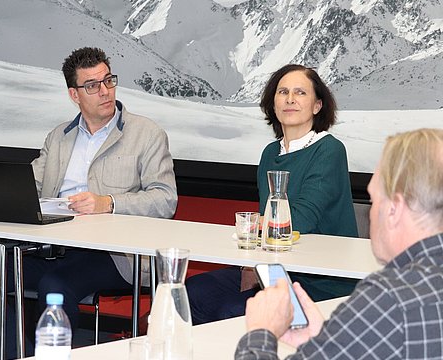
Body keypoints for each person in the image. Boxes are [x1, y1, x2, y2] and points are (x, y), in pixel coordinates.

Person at [0, 47, 177, 358]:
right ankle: (23, 354)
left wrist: (109, 202)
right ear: (74, 95)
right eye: (92, 86)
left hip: (112, 254)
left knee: (54, 285)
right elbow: (30, 183)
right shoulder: (59, 136)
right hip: (52, 247)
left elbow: (165, 199)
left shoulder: (147, 134)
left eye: (108, 81)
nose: (104, 91)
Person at [236, 128, 443, 359]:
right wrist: (326, 342)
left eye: (374, 201)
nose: (370, 214)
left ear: (394, 209)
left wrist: (261, 333)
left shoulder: (388, 299)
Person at [186, 64, 358, 325]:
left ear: (317, 106)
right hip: (275, 269)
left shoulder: (329, 150)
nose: (290, 99)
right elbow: (268, 222)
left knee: (233, 312)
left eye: (300, 92)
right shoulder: (270, 152)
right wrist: (251, 265)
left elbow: (298, 221)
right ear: (273, 103)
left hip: (320, 279)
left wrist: (254, 233)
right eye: (283, 92)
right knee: (193, 293)